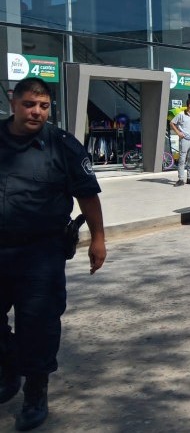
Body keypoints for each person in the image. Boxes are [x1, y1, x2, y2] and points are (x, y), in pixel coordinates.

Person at [0, 77, 106, 431]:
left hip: (41, 251)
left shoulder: (62, 145)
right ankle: (8, 365)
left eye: (44, 106)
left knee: (38, 324)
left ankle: (35, 390)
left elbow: (88, 195)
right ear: (14, 103)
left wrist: (98, 239)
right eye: (30, 104)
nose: (36, 112)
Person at [170, 98, 190, 186]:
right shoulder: (181, 115)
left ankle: (189, 178)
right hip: (185, 139)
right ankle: (181, 179)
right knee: (182, 159)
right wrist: (178, 133)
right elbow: (172, 123)